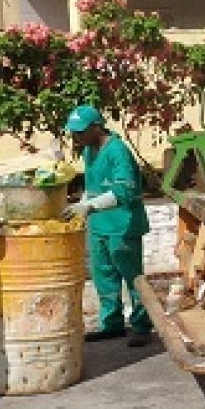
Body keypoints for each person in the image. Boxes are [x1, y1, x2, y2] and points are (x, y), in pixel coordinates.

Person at [62, 104, 152, 347]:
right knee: (104, 278)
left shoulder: (117, 151)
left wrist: (89, 207)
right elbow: (93, 187)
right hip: (99, 225)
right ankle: (111, 324)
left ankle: (142, 325)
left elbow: (125, 189)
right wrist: (81, 206)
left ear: (96, 127)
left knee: (133, 278)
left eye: (80, 132)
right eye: (74, 133)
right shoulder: (89, 151)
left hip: (122, 225)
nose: (76, 137)